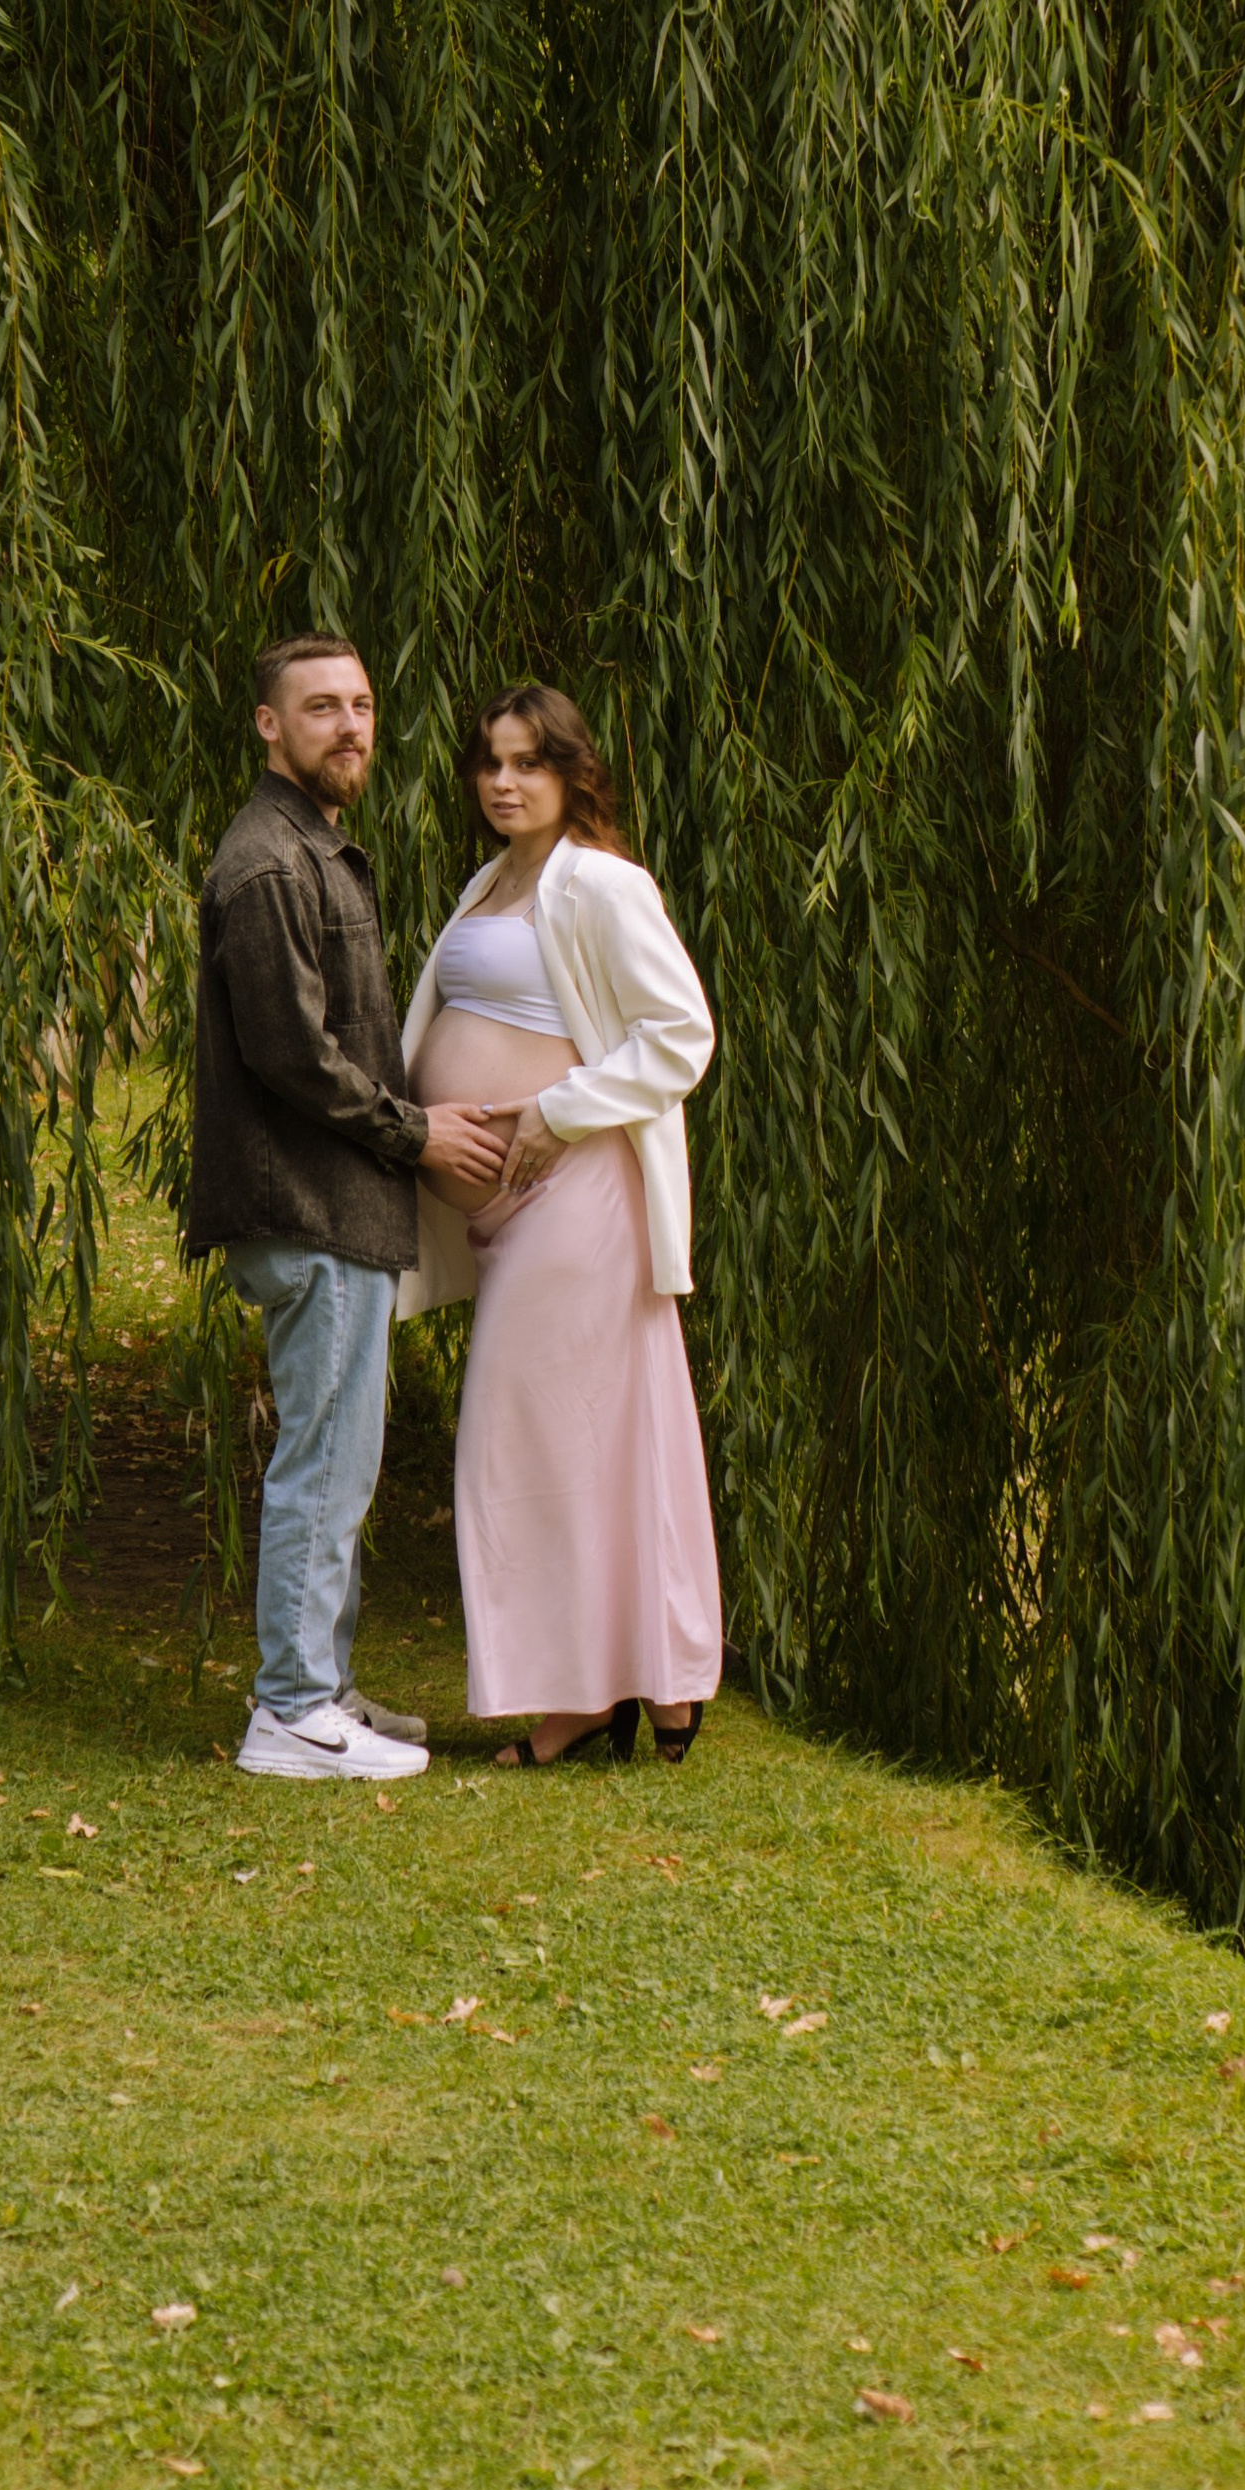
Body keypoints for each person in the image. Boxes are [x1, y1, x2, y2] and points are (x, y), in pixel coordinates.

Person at [185, 635, 511, 1783]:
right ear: (268, 725)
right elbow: (291, 1054)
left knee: (344, 1459)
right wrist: (416, 1132)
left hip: (338, 1209)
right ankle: (289, 1713)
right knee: (324, 1463)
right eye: (321, 706)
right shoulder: (270, 865)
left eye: (363, 704)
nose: (351, 726)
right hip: (307, 1207)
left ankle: (321, 1687)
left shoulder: (312, 849)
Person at [398, 684, 722, 1768]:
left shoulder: (604, 885)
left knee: (522, 1436)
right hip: (504, 1209)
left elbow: (680, 1034)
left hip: (579, 1193)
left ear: (573, 772)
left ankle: (589, 1696)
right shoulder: (489, 881)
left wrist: (555, 1111)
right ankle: (641, 1686)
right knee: (584, 1438)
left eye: (528, 762)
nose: (503, 782)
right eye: (490, 762)